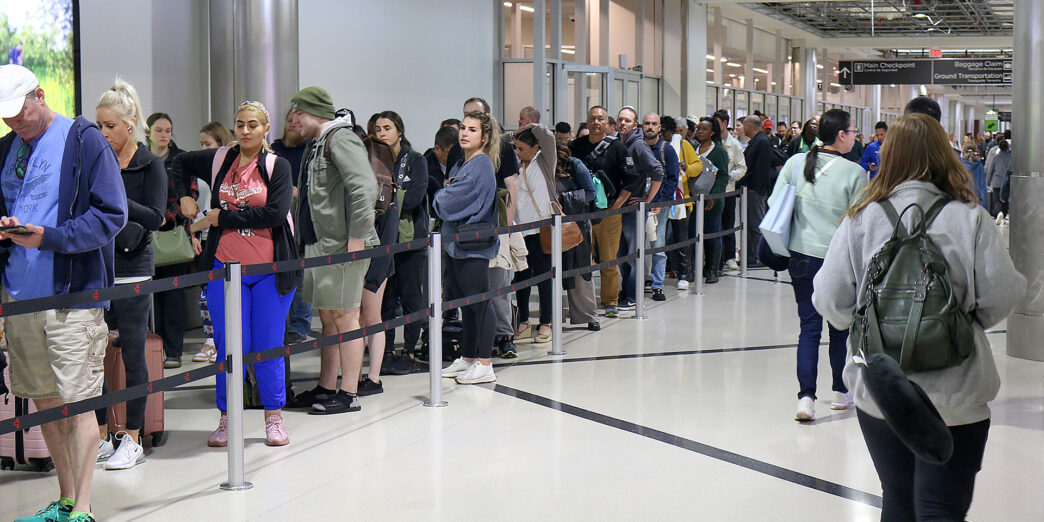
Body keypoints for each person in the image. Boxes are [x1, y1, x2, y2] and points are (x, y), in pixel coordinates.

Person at [813, 113, 1025, 521]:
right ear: (943, 155)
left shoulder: (862, 217)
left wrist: (861, 322)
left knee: (897, 498)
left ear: (888, 156)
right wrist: (967, 322)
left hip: (882, 393)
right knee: (941, 508)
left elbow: (829, 298)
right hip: (956, 392)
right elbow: (1004, 292)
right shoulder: (970, 217)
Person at [1, 64, 128, 522]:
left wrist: (49, 237)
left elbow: (111, 214)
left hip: (71, 298)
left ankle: (85, 509)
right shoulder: (7, 149)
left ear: (40, 94)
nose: (16, 123)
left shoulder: (83, 139)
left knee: (78, 405)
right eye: (7, 118)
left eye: (20, 112)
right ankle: (66, 498)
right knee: (47, 402)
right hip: (20, 298)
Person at [172, 100, 299, 447]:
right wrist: (185, 195)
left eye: (253, 125)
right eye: (240, 124)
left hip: (270, 271)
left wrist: (220, 217)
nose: (245, 131)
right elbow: (178, 162)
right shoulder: (220, 159)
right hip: (225, 270)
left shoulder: (277, 165)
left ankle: (274, 417)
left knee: (268, 345)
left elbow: (274, 214)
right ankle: (228, 418)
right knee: (230, 348)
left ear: (266, 128)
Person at [767, 109, 867, 421]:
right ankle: (841, 392)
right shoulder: (854, 174)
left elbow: (774, 204)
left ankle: (806, 400)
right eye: (852, 131)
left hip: (800, 257)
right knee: (839, 328)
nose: (855, 136)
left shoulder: (796, 163)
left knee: (808, 328)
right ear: (841, 135)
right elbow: (860, 224)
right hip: (837, 262)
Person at [283, 87, 378, 414]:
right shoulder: (318, 144)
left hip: (342, 245)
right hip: (320, 245)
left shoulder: (340, 139)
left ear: (314, 113)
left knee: (346, 317)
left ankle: (349, 393)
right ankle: (326, 386)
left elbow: (364, 185)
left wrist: (357, 236)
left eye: (298, 114)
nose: (293, 120)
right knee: (328, 316)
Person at [92, 79, 167, 470]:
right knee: (94, 355)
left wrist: (120, 203)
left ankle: (133, 438)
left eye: (110, 126)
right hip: (97, 267)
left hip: (133, 267)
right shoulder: (96, 161)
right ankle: (103, 433)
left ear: (130, 124)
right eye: (99, 125)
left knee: (134, 352)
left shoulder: (150, 164)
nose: (103, 133)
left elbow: (156, 216)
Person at [436, 111, 501, 384]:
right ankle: (468, 357)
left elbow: (446, 202)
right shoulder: (465, 162)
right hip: (457, 243)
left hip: (472, 244)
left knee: (480, 304)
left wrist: (442, 194)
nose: (464, 133)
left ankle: (484, 363)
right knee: (467, 305)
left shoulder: (479, 165)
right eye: (463, 128)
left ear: (484, 137)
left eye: (472, 130)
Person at [569, 106, 641, 318]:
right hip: (582, 213)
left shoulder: (618, 148)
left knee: (609, 258)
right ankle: (585, 304)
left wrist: (617, 205)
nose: (596, 123)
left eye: (600, 119)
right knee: (583, 259)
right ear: (587, 122)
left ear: (606, 123)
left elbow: (632, 179)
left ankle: (610, 301)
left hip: (609, 212)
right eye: (592, 119)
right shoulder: (576, 147)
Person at [375, 111, 429, 375]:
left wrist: (385, 198)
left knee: (411, 298)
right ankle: (385, 351)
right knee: (384, 301)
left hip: (411, 242)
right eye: (377, 129)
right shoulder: (374, 161)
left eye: (387, 128)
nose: (382, 133)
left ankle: (409, 350)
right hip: (383, 240)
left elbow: (415, 198)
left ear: (399, 130)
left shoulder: (416, 160)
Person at [146, 112, 194, 368]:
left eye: (168, 130)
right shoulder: (139, 158)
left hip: (173, 233)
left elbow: (190, 195)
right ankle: (155, 348)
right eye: (159, 130)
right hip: (145, 233)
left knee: (173, 295)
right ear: (148, 132)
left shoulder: (181, 160)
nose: (164, 135)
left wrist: (166, 216)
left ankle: (174, 350)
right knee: (150, 296)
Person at [189, 121, 233, 365]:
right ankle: (211, 340)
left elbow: (213, 215)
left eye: (208, 144)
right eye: (201, 144)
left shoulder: (225, 174)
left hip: (222, 242)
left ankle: (214, 342)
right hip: (204, 243)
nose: (204, 148)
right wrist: (193, 233)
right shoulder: (202, 174)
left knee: (215, 295)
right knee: (205, 295)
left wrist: (191, 229)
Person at [271, 109, 313, 346]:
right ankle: (280, 323)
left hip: (302, 218)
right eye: (289, 121)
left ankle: (299, 326)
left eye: (298, 122)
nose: (293, 126)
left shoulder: (310, 151)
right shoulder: (274, 150)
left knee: (302, 275)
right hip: (278, 220)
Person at [513, 124, 558, 343]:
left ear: (535, 148)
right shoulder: (517, 165)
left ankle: (546, 322)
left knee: (543, 277)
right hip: (520, 229)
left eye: (522, 148)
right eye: (516, 148)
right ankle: (522, 320)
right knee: (520, 277)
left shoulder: (545, 160)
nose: (518, 153)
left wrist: (531, 126)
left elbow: (548, 137)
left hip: (542, 228)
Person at [615, 106, 664, 310]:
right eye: (620, 120)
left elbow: (658, 172)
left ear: (635, 125)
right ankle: (625, 291)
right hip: (621, 208)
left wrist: (647, 199)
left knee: (633, 255)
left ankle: (632, 294)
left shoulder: (638, 146)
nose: (623, 123)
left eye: (627, 121)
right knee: (621, 255)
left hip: (633, 210)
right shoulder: (619, 143)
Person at [642, 113, 678, 300]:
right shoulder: (635, 148)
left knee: (658, 245)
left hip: (659, 206)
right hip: (637, 205)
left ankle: (657, 284)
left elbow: (673, 179)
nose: (650, 127)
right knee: (635, 245)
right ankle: (636, 282)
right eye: (647, 123)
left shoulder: (667, 150)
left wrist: (661, 202)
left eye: (653, 124)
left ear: (659, 128)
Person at [694, 117, 730, 284]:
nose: (700, 132)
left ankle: (713, 269)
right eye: (698, 128)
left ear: (712, 132)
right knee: (693, 234)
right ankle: (694, 268)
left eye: (704, 129)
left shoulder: (719, 152)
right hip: (694, 199)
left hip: (712, 201)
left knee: (712, 234)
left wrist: (713, 197)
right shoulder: (693, 148)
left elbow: (723, 176)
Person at [712, 109, 746, 273]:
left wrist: (729, 176)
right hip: (712, 190)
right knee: (714, 225)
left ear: (725, 124)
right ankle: (714, 259)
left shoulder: (735, 145)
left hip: (729, 190)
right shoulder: (711, 142)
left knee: (728, 223)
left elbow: (742, 167)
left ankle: (730, 256)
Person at [738, 115, 773, 267]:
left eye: (743, 125)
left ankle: (759, 256)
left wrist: (754, 189)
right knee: (750, 224)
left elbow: (761, 169)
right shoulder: (757, 141)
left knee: (756, 224)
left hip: (755, 190)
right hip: (750, 189)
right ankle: (750, 256)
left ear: (748, 125)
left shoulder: (762, 141)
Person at [985, 139, 1010, 217]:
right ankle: (1005, 214)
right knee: (1005, 200)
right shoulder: (1011, 157)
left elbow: (990, 171)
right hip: (1007, 182)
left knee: (997, 200)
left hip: (997, 181)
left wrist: (987, 183)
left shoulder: (996, 157)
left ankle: (999, 213)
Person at [960, 144, 988, 211]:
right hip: (976, 202)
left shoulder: (959, 165)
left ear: (963, 151)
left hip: (961, 201)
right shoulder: (979, 166)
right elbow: (982, 187)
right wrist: (985, 207)